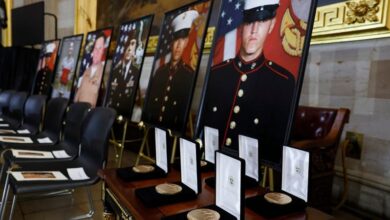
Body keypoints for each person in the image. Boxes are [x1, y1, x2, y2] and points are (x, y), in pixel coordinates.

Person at [201, 0, 296, 167]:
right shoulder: (216, 74)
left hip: (250, 178)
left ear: (272, 25)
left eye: (262, 21)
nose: (254, 30)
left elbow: (274, 152)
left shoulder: (282, 82)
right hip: (210, 166)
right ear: (240, 27)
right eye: (249, 21)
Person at [143, 10, 199, 131]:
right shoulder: (159, 72)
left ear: (186, 43)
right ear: (171, 43)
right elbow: (149, 107)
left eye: (182, 40)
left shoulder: (189, 75)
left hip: (173, 136)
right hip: (152, 130)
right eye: (176, 41)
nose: (178, 46)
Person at [107, 30, 139, 116]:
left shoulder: (136, 72)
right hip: (112, 114)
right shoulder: (115, 71)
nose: (129, 49)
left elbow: (137, 100)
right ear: (124, 48)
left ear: (134, 51)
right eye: (128, 45)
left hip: (126, 114)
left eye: (132, 46)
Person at [74, 33, 106, 107]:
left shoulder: (102, 72)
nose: (96, 52)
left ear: (103, 51)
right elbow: (78, 93)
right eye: (95, 48)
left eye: (100, 48)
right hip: (78, 111)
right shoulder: (86, 71)